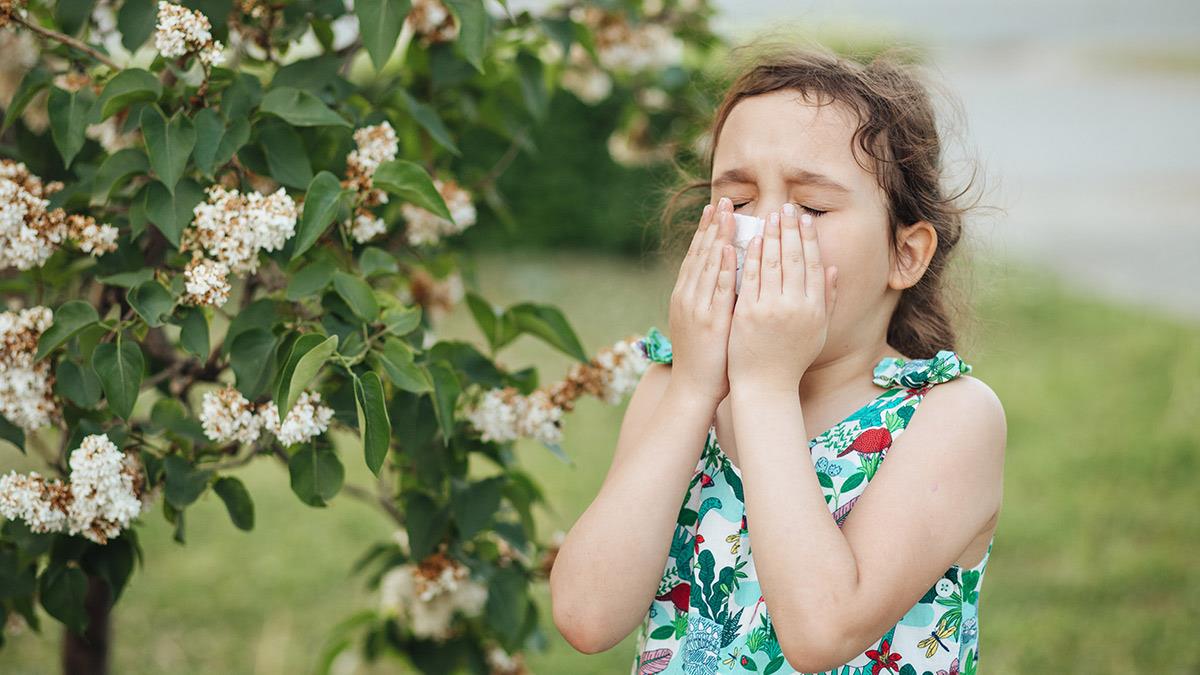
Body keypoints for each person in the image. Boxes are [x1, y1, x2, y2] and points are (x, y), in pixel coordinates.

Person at [549, 41, 1006, 675]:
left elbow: (821, 634)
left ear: (906, 254)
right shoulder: (676, 388)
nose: (764, 231)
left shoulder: (950, 420)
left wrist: (764, 388)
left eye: (811, 208)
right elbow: (586, 616)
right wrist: (691, 392)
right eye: (736, 200)